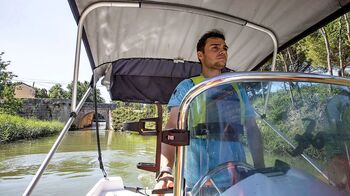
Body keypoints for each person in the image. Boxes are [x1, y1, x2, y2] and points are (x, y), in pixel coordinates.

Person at [154, 29, 265, 193]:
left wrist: (260, 169)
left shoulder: (237, 88)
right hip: (199, 181)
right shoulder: (188, 87)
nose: (222, 51)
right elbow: (172, 128)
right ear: (200, 55)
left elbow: (252, 128)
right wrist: (166, 171)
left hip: (237, 178)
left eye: (224, 48)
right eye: (215, 48)